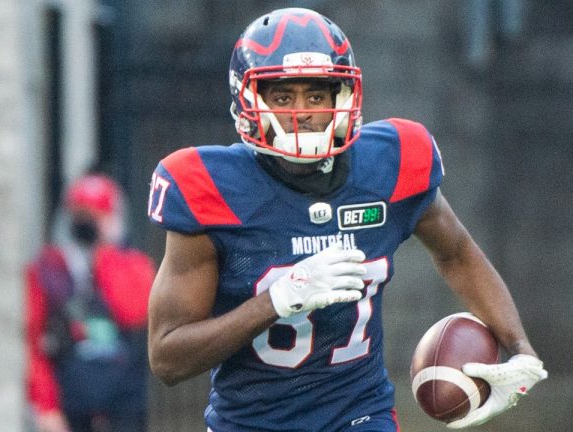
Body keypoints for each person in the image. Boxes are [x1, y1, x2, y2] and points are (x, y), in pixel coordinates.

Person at [146, 7, 547, 432]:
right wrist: (278, 301)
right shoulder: (209, 187)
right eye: (282, 97)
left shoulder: (390, 163)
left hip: (359, 415)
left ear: (343, 97)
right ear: (250, 102)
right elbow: (167, 357)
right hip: (248, 424)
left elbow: (457, 252)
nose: (301, 112)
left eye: (316, 95)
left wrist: (520, 348)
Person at [25, 173, 155, 432]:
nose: (87, 224)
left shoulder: (133, 265)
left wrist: (104, 253)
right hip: (69, 408)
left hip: (122, 407)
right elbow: (33, 343)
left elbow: (134, 312)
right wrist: (46, 407)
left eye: (97, 217)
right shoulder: (48, 270)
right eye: (81, 216)